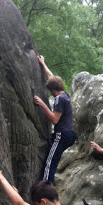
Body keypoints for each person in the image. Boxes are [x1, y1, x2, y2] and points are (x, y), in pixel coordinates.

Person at [34, 55, 76, 183]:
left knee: (49, 164)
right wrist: (43, 63)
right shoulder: (65, 94)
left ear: (53, 90)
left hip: (61, 135)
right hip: (69, 134)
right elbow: (51, 77)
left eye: (50, 90)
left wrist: (42, 104)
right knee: (53, 160)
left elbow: (54, 119)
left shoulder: (59, 99)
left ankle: (46, 191)